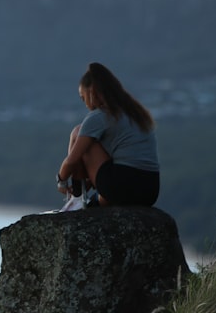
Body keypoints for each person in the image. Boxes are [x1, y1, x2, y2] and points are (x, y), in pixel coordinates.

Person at [56, 62, 160, 207]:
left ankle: (77, 199)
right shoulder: (136, 113)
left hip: (122, 186)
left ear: (92, 92)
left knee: (78, 132)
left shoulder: (99, 116)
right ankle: (91, 201)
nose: (85, 103)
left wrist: (61, 180)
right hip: (150, 190)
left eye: (83, 97)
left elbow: (72, 161)